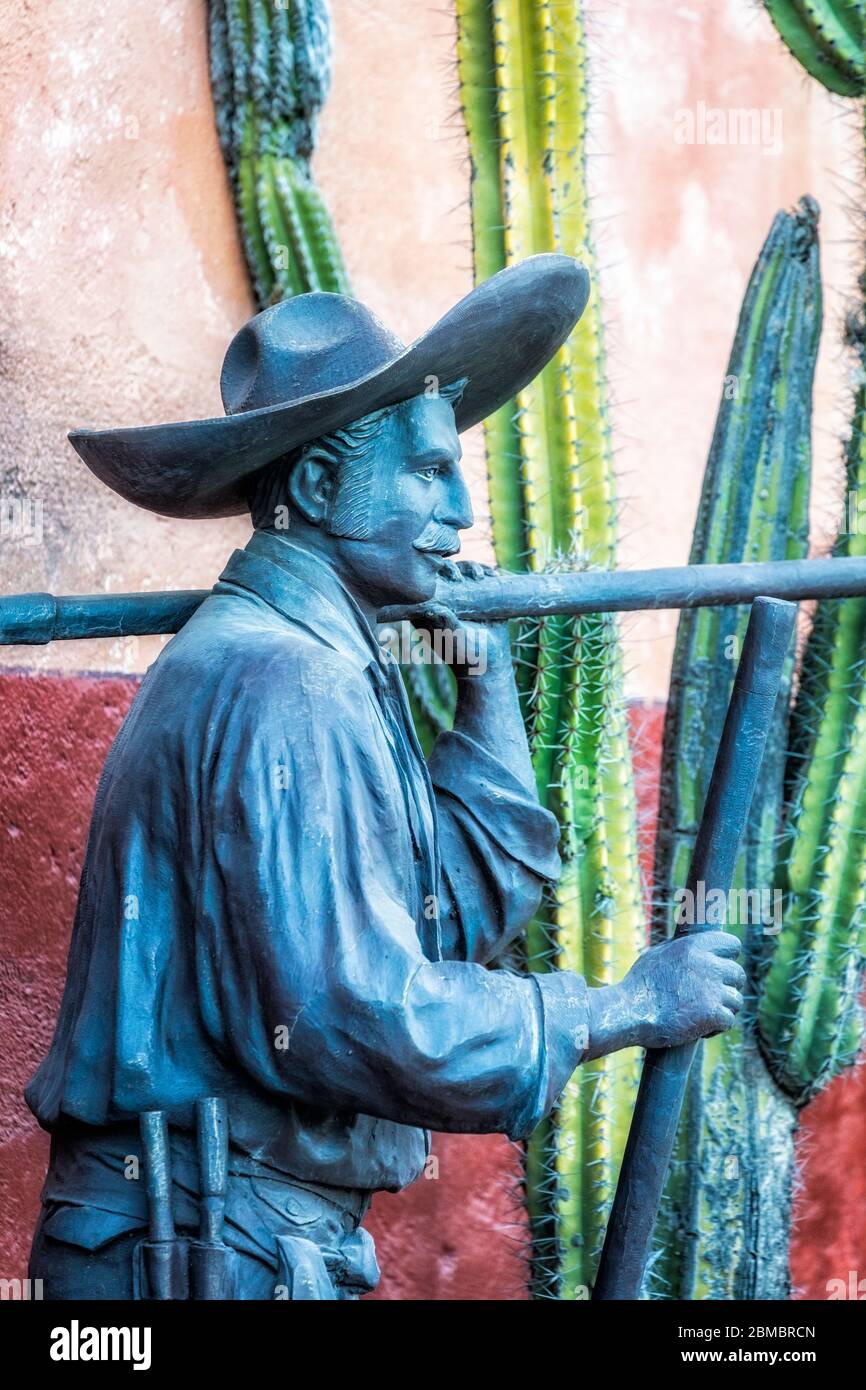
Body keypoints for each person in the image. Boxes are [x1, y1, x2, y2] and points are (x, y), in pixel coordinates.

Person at [27, 256, 745, 1299]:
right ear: (317, 487)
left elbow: (433, 919)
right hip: (197, 1246)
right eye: (423, 473)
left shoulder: (317, 664)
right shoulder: (287, 682)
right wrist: (620, 1007)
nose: (460, 508)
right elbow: (356, 1011)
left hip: (237, 1234)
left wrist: (483, 680)